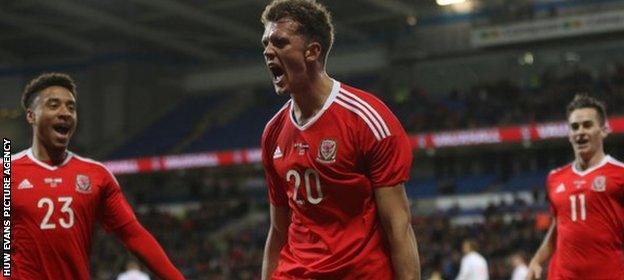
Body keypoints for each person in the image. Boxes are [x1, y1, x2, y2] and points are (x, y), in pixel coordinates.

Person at [259, 0, 420, 279]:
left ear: (312, 51)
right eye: (265, 43)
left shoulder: (367, 119)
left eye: (280, 42)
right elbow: (278, 230)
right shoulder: (273, 132)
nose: (268, 51)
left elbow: (398, 225)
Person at [5, 73, 184, 279]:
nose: (65, 113)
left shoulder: (97, 176)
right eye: (53, 105)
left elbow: (134, 235)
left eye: (71, 107)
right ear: (31, 116)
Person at [526, 94, 624, 279]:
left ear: (603, 130)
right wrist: (537, 260)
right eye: (575, 127)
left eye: (588, 125)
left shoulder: (620, 174)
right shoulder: (555, 178)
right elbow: (558, 226)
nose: (580, 132)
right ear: (570, 135)